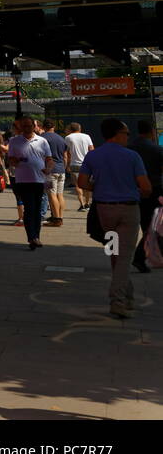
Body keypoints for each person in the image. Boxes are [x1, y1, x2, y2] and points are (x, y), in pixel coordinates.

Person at [77, 119, 150, 318]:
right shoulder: (132, 156)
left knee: (114, 253)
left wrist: (99, 187)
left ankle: (128, 295)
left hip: (103, 211)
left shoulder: (93, 156)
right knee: (124, 256)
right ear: (118, 134)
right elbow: (145, 187)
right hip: (128, 210)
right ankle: (117, 300)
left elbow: (82, 182)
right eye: (126, 133)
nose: (128, 137)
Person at [6, 116, 53, 249]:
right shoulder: (14, 141)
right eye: (24, 126)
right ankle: (32, 237)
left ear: (34, 126)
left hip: (39, 179)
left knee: (37, 209)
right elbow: (10, 160)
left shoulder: (42, 141)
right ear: (21, 127)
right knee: (29, 208)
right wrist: (16, 161)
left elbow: (49, 159)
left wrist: (48, 168)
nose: (27, 128)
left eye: (29, 126)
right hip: (23, 180)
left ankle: (36, 236)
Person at [128, 121, 162, 274]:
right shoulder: (157, 149)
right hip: (153, 191)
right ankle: (140, 257)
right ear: (152, 131)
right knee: (152, 227)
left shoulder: (129, 148)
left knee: (142, 226)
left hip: (132, 191)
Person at [40, 119, 68, 228]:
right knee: (60, 195)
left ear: (43, 127)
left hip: (49, 171)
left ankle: (56, 219)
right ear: (54, 127)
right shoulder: (61, 138)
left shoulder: (42, 138)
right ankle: (60, 217)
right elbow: (65, 156)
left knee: (51, 195)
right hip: (61, 170)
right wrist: (64, 168)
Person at [65, 122, 95, 210]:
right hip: (87, 164)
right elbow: (92, 149)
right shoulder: (87, 136)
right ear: (80, 129)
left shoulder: (68, 137)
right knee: (87, 185)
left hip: (74, 164)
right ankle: (87, 203)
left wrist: (67, 165)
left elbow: (67, 152)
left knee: (78, 186)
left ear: (71, 129)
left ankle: (81, 205)